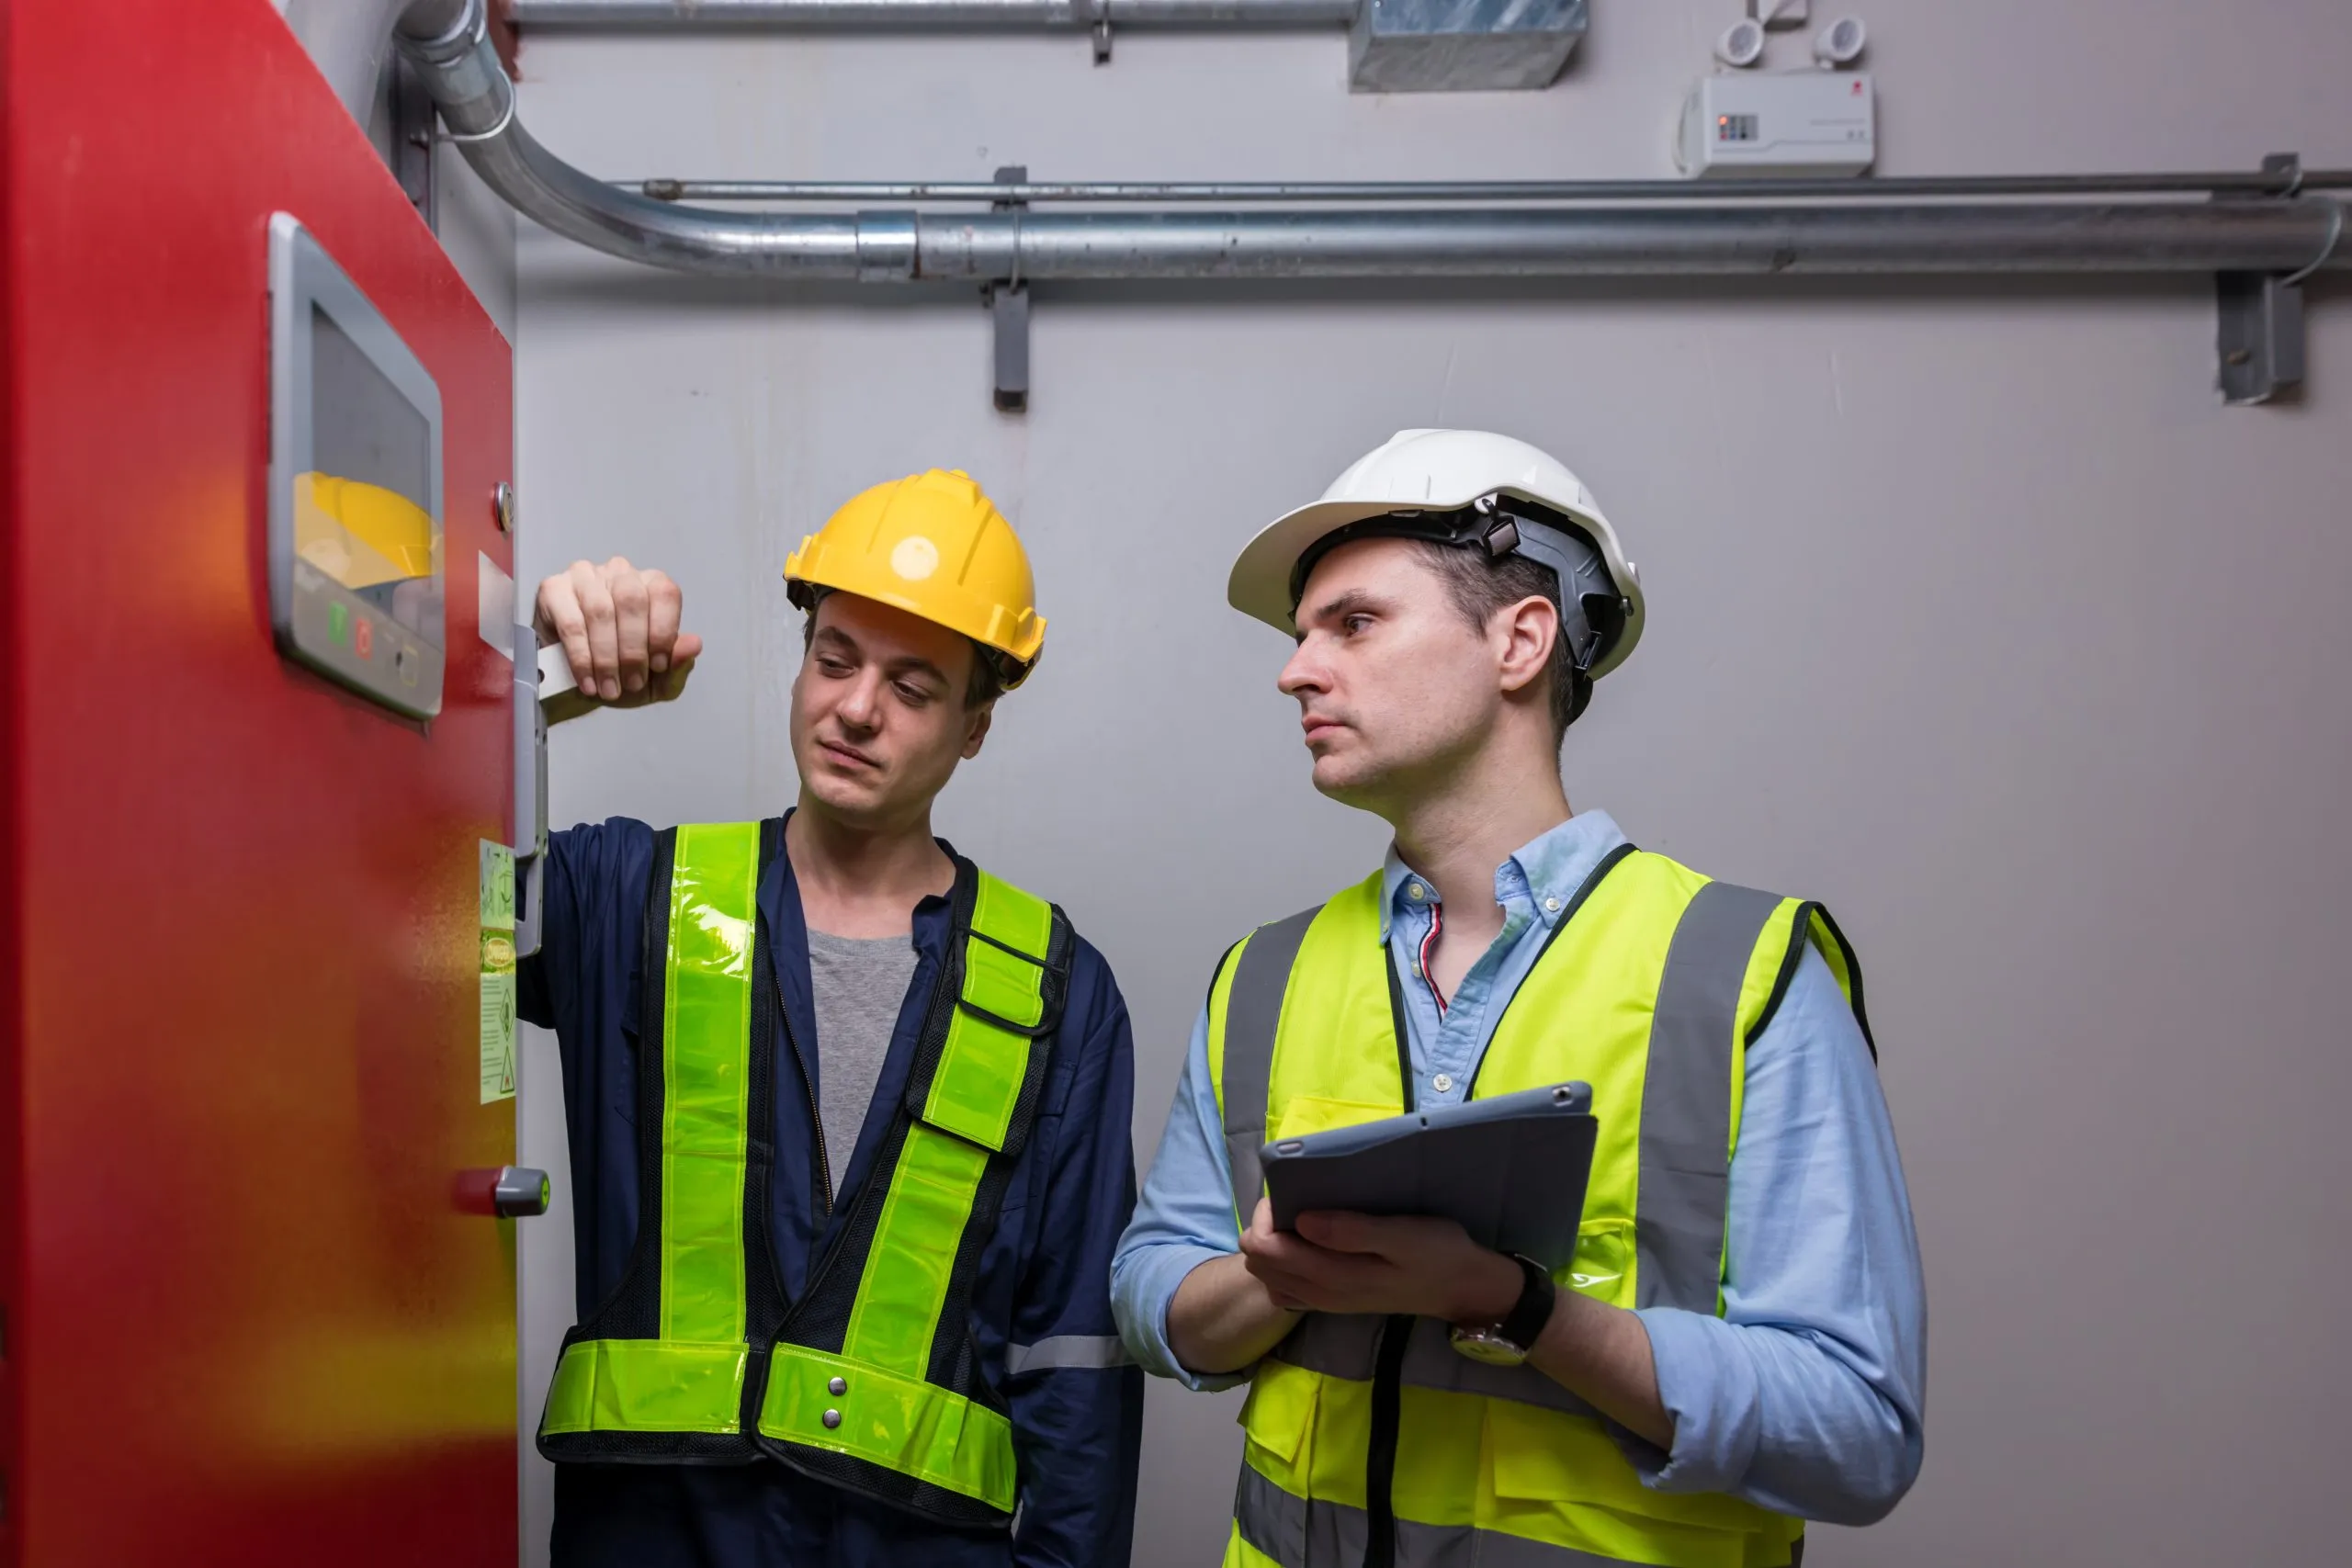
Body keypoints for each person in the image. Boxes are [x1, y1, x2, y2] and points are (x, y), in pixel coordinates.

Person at [1112, 430, 1925, 1568]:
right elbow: (1149, 1291)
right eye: (1301, 636)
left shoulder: (1738, 974)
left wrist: (1518, 1305)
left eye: (1353, 623)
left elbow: (1857, 1433)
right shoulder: (1263, 976)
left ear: (1520, 640)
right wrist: (1275, 1282)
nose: (1295, 671)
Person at [521, 468, 1143, 1568]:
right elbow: (377, 910)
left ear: (974, 727)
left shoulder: (1056, 988)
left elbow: (1074, 1361)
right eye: (836, 658)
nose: (856, 708)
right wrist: (524, 693)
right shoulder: (625, 897)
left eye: (912, 686)